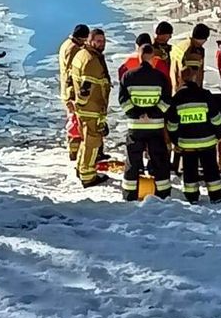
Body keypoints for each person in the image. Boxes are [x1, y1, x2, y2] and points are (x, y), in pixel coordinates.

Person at [166, 61, 221, 204]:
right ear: (195, 78)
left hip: (187, 144)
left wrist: (177, 141)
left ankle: (192, 197)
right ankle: (216, 195)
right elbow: (217, 119)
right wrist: (219, 134)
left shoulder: (177, 99)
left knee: (189, 171)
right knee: (211, 168)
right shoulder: (205, 95)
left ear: (180, 79)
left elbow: (172, 125)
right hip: (207, 141)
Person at [119, 41, 172, 201]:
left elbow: (123, 100)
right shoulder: (161, 77)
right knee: (159, 161)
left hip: (135, 127)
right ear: (153, 58)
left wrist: (137, 114)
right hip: (155, 126)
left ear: (139, 57)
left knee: (132, 161)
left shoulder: (128, 76)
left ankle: (130, 194)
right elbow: (166, 101)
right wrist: (152, 113)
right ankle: (163, 194)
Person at [67, 27, 113, 187]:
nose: (102, 44)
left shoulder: (81, 55)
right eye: (98, 41)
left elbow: (70, 81)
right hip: (92, 108)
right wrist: (81, 102)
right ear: (89, 40)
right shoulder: (92, 61)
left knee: (85, 140)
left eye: (104, 41)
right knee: (93, 142)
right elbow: (86, 88)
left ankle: (81, 168)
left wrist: (74, 102)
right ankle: (88, 175)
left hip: (84, 109)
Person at [58, 23, 89, 162]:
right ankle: (74, 151)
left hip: (67, 89)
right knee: (75, 122)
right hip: (71, 91)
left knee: (74, 120)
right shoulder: (74, 49)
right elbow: (73, 71)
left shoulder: (66, 44)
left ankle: (75, 150)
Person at [172, 23, 212, 89]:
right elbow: (192, 73)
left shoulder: (181, 45)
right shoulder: (195, 50)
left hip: (176, 86)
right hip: (188, 91)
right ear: (203, 38)